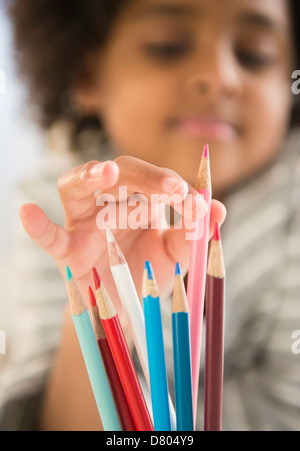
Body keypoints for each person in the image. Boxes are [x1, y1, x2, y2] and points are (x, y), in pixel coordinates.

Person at [1, 0, 300, 431]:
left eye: (255, 55)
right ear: (87, 74)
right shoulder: (57, 206)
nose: (219, 77)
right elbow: (52, 421)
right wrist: (103, 309)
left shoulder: (291, 202)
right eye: (168, 46)